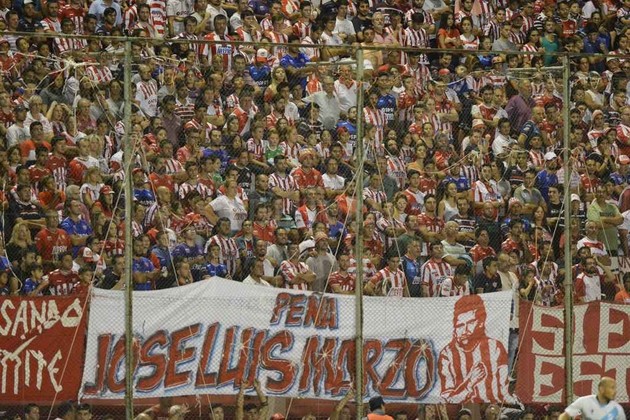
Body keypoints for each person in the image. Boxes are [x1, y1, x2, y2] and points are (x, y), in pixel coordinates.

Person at [438, 294, 510, 403]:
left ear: (481, 322)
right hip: (461, 407)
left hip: (492, 406)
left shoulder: (495, 347)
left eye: (470, 323)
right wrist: (470, 382)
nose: (465, 330)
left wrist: (513, 401)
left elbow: (504, 391)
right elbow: (448, 399)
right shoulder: (447, 354)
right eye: (460, 326)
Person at [559, 377, 626, 419]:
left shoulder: (618, 409)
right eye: (612, 388)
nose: (615, 391)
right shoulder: (584, 401)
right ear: (602, 389)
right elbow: (564, 416)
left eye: (615, 388)